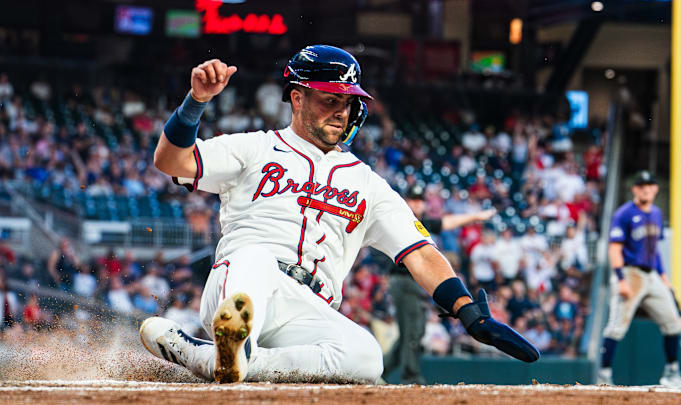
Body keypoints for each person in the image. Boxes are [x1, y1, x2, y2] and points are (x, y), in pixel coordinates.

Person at [139, 45, 539, 384]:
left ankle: (210, 359)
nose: (341, 112)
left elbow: (420, 252)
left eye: (348, 102)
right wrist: (196, 103)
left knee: (367, 357)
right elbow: (170, 160)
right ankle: (233, 348)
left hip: (310, 305)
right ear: (297, 98)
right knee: (255, 255)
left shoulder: (368, 183)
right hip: (245, 283)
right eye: (330, 99)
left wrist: (468, 312)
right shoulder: (253, 148)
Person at [382, 185, 495, 384]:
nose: (417, 204)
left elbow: (447, 222)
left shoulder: (420, 222)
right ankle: (411, 376)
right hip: (402, 281)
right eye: (412, 200)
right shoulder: (398, 219)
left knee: (413, 331)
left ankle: (381, 372)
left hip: (411, 283)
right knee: (413, 331)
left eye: (419, 200)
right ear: (405, 202)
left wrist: (475, 216)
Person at [597, 171, 681, 387]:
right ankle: (603, 376)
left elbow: (654, 250)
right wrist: (620, 279)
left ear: (655, 189)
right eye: (641, 186)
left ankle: (672, 373)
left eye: (649, 185)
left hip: (651, 275)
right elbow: (615, 249)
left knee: (673, 323)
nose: (646, 189)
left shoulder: (656, 213)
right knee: (616, 327)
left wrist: (664, 278)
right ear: (634, 189)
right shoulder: (624, 213)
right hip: (630, 273)